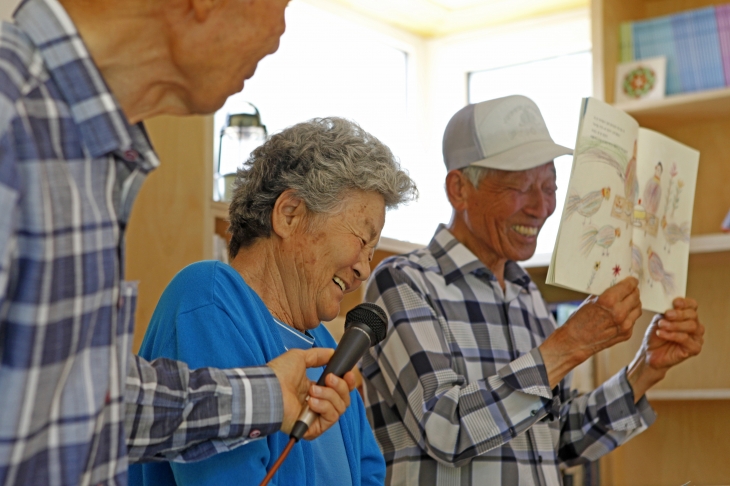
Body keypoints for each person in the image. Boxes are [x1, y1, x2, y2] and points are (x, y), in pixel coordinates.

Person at [0, 0, 356, 484]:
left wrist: (267, 396)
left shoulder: (83, 144)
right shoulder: (9, 108)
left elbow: (82, 399)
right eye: (282, 3)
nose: (279, 33)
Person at [359, 95, 705, 485]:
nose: (541, 207)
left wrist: (646, 368)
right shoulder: (403, 282)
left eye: (550, 187)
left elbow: (557, 442)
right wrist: (568, 345)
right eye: (519, 188)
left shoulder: (526, 296)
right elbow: (445, 428)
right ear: (459, 190)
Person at [129, 117, 417, 485]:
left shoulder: (328, 348)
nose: (364, 269)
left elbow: (369, 473)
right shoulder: (208, 298)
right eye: (363, 241)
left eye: (373, 252)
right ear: (289, 214)